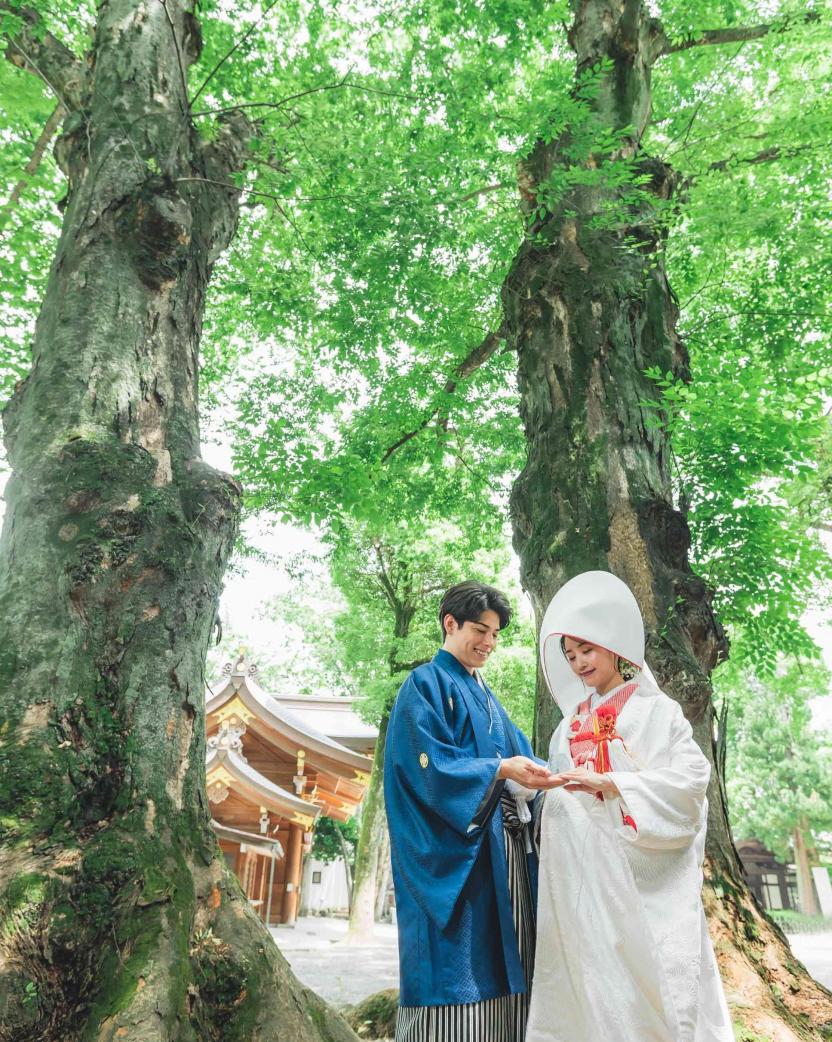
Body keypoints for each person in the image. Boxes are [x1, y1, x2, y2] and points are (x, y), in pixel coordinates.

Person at [526, 570, 734, 1042]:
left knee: (645, 973)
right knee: (583, 973)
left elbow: (690, 779)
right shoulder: (569, 725)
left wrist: (615, 782)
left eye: (587, 650)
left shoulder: (658, 711)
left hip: (634, 868)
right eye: (570, 655)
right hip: (578, 872)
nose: (579, 662)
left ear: (614, 646)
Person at [384, 580, 551, 1042]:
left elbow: (526, 762)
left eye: (496, 634)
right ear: (450, 623)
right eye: (481, 630)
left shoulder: (487, 698)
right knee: (457, 966)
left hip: (505, 854)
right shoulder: (425, 685)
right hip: (459, 853)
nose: (490, 643)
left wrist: (552, 779)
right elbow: (428, 769)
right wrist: (497, 769)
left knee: (510, 957)